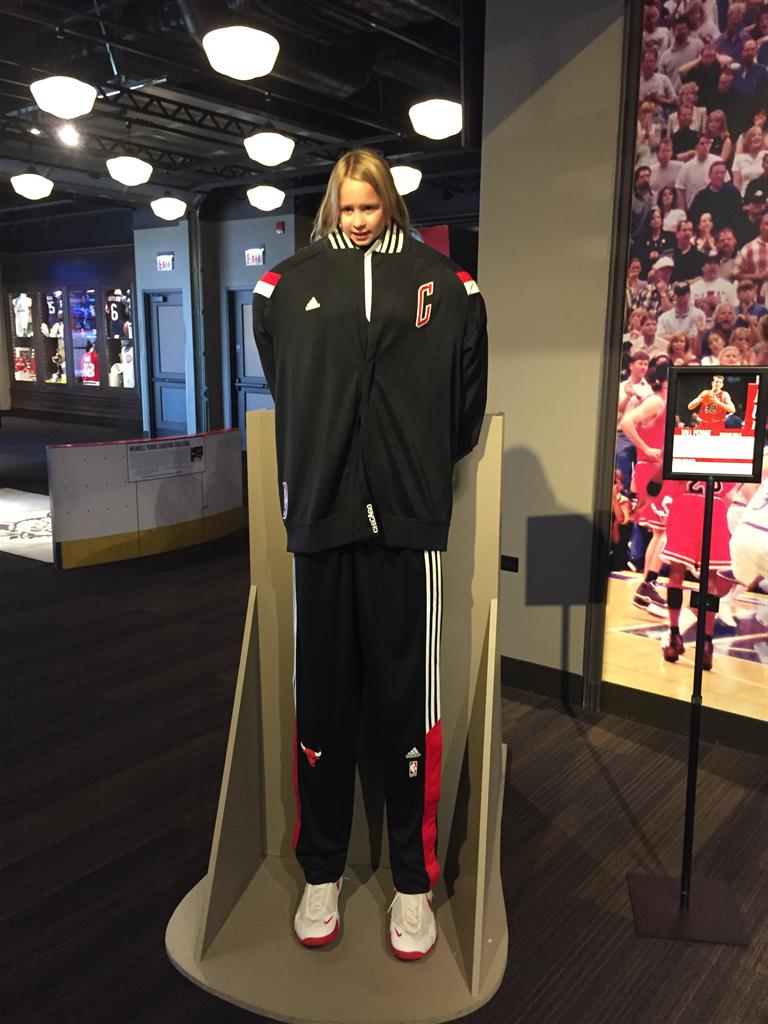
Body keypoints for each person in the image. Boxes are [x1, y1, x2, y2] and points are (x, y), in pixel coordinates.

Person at [251, 148, 487, 960]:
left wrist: (411, 471)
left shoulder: (446, 287)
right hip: (320, 522)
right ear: (331, 206)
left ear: (390, 204)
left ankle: (413, 885)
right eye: (346, 207)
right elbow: (288, 383)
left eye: (370, 206)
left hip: (407, 530)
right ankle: (321, 872)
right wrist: (323, 462)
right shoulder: (283, 287)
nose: (357, 220)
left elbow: (465, 407)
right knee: (319, 703)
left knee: (406, 707)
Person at [687, 159, 743, 236]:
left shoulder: (733, 193)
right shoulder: (701, 196)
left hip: (729, 234)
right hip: (707, 235)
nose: (719, 176)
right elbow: (694, 219)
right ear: (710, 175)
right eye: (716, 173)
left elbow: (739, 218)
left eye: (722, 173)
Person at [675, 134, 721, 209]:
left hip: (714, 206)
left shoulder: (718, 161)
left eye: (707, 143)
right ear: (695, 147)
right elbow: (680, 188)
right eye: (702, 144)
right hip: (693, 207)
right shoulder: (686, 167)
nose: (705, 146)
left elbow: (726, 183)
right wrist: (682, 210)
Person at [660, 13, 705, 88]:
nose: (682, 32)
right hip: (675, 93)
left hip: (694, 91)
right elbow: (662, 81)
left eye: (684, 29)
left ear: (688, 30)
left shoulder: (698, 45)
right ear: (673, 31)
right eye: (679, 29)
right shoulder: (665, 56)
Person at [690, 252, 738, 320]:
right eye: (709, 263)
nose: (712, 266)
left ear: (718, 266)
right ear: (703, 267)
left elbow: (735, 309)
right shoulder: (693, 288)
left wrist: (720, 305)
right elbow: (689, 312)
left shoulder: (728, 286)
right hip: (699, 322)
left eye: (715, 263)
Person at [635, 206, 676, 275]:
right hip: (646, 271)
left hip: (664, 270)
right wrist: (648, 255)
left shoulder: (669, 236)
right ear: (649, 221)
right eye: (653, 218)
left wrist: (659, 256)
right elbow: (639, 254)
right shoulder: (643, 238)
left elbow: (671, 253)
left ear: (662, 220)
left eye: (658, 217)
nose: (656, 220)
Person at [732, 125, 768, 194]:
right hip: (744, 195)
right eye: (754, 135)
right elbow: (736, 184)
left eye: (759, 135)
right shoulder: (739, 158)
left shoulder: (766, 155)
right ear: (748, 139)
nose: (757, 137)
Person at [734, 210, 768, 282]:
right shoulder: (748, 249)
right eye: (767, 224)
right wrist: (758, 277)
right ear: (760, 226)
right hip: (757, 288)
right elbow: (735, 275)